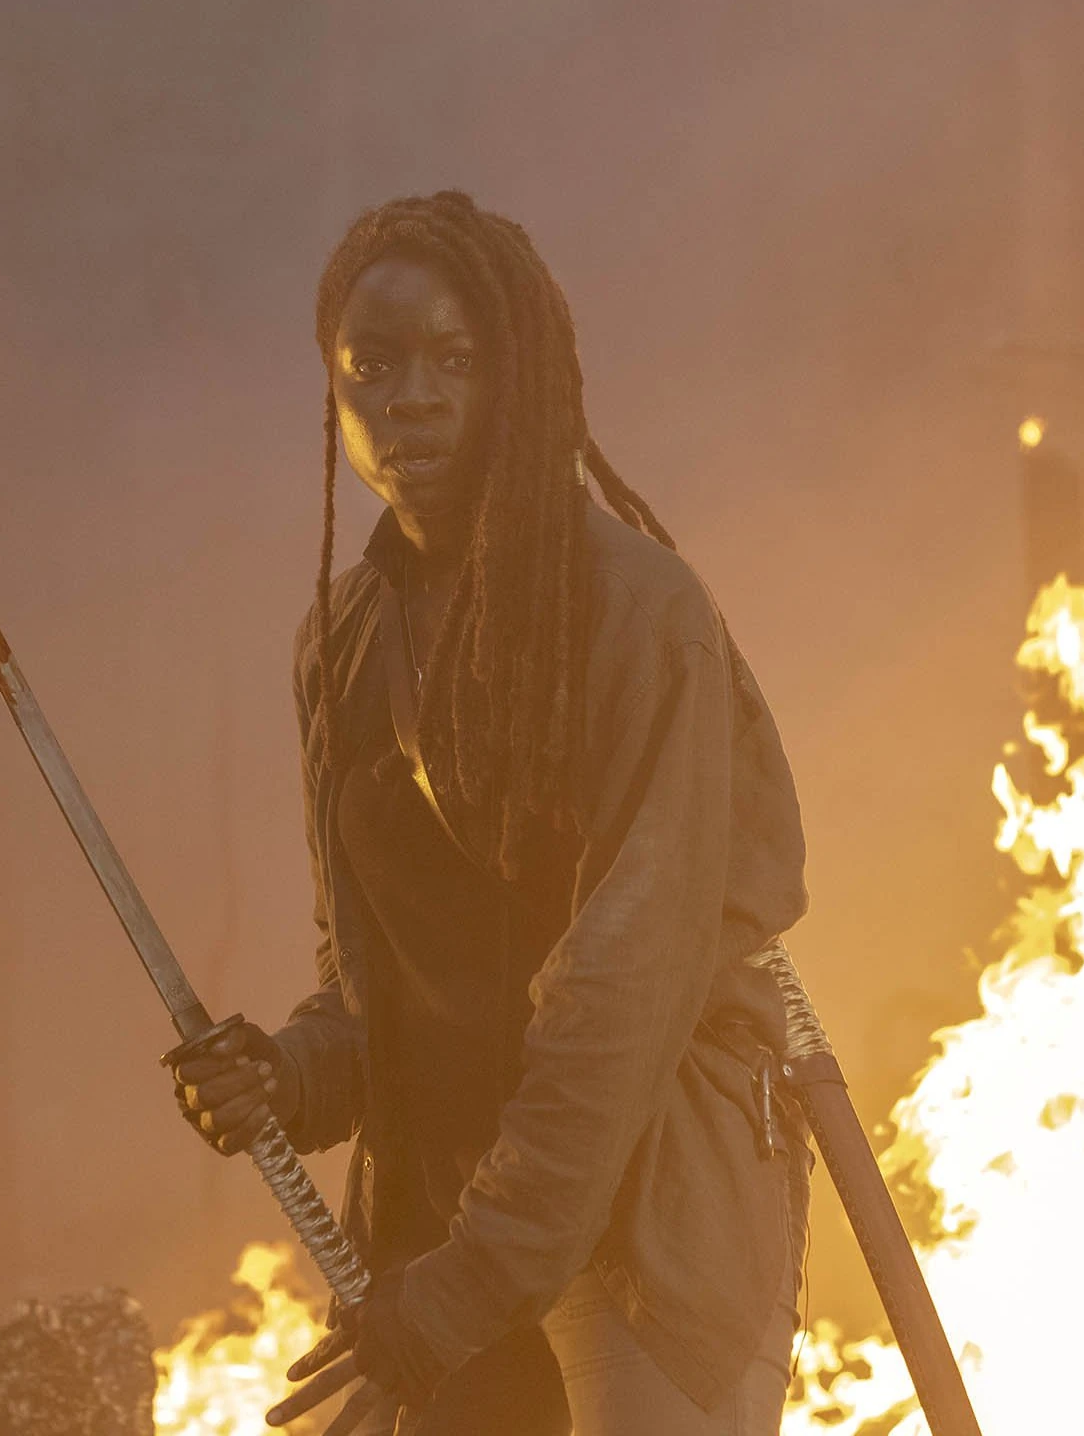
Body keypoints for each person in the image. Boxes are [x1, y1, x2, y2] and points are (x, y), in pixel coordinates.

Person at [167, 190, 810, 1436]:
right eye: (372, 366)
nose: (409, 398)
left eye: (454, 361)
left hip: (644, 1221)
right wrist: (286, 1077)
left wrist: (471, 1282)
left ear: (521, 376)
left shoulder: (640, 613)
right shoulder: (340, 642)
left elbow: (619, 994)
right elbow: (374, 989)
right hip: (446, 1225)